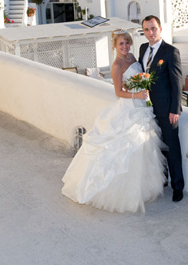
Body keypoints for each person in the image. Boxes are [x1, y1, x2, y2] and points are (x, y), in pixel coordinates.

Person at [61, 30, 166, 213]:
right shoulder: (117, 65)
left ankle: (142, 188)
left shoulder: (133, 57)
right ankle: (122, 192)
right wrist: (136, 93)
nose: (125, 47)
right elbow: (118, 92)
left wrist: (141, 87)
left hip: (142, 105)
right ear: (114, 47)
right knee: (127, 148)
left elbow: (132, 81)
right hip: (129, 108)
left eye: (127, 43)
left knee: (143, 148)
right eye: (121, 44)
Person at [139, 15, 185, 202]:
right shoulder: (143, 48)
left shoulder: (171, 52)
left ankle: (178, 187)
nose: (150, 33)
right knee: (157, 146)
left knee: (172, 146)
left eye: (153, 28)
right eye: (147, 30)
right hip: (148, 109)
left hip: (167, 110)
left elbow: (177, 83)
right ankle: (162, 180)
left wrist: (175, 109)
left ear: (160, 28)